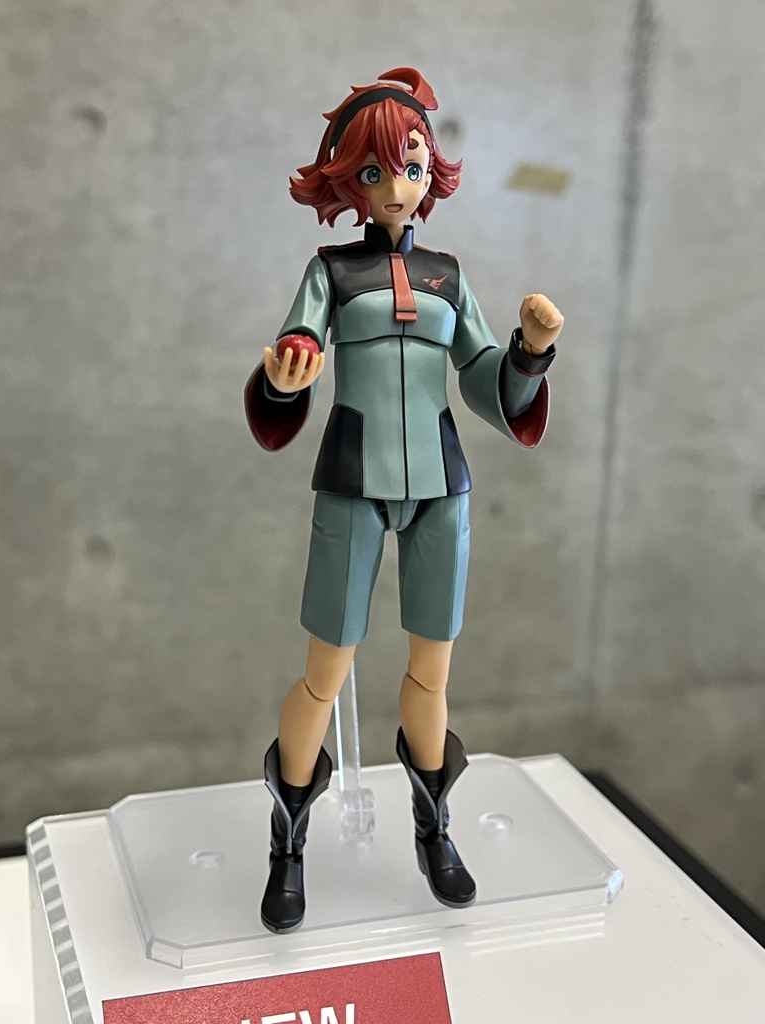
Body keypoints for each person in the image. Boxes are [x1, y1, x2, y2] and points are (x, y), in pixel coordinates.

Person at [245, 67, 564, 933]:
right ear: (349, 179)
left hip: (440, 488)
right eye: (376, 170)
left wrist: (530, 353)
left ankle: (434, 827)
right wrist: (284, 379)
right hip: (353, 483)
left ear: (432, 174)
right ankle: (287, 840)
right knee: (325, 673)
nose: (397, 185)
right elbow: (294, 351)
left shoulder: (449, 277)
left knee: (432, 671)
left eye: (412, 166)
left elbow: (485, 379)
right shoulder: (330, 272)